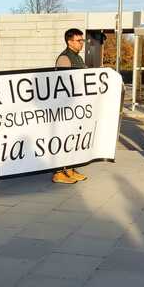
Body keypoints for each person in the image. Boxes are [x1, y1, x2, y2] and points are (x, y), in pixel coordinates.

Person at [52, 28, 90, 185]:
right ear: (69, 41)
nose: (82, 43)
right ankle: (59, 173)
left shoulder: (77, 58)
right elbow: (63, 84)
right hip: (66, 107)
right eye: (79, 40)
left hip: (76, 106)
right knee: (65, 138)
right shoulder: (64, 59)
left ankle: (70, 169)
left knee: (73, 138)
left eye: (82, 41)